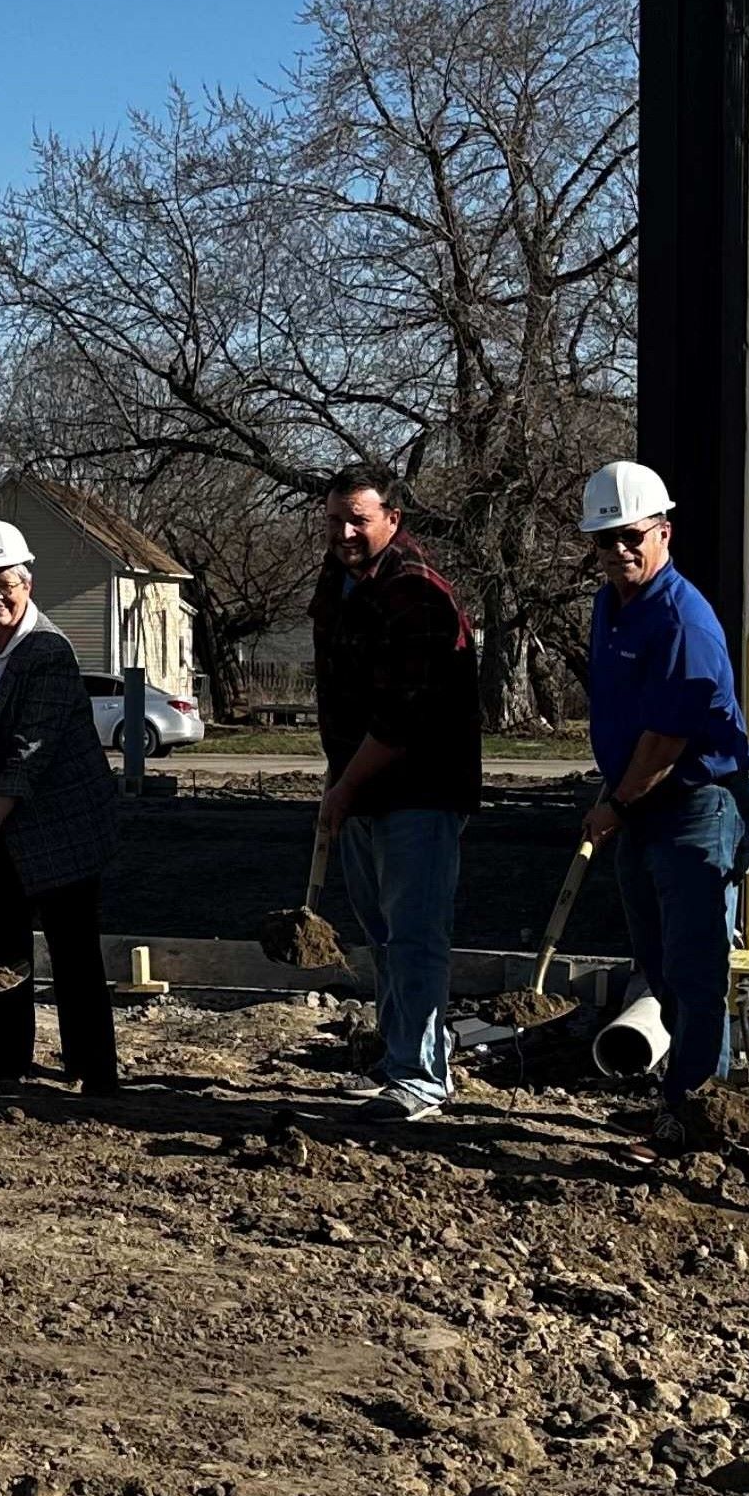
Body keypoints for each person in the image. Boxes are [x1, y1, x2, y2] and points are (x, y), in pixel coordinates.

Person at [573, 463, 749, 1145]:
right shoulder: (610, 605)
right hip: (641, 802)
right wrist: (617, 794)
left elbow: (667, 739)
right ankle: (684, 1095)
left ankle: (701, 1110)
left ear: (664, 532)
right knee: (659, 961)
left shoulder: (684, 619)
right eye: (604, 540)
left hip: (694, 802)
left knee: (694, 964)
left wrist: (613, 804)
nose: (619, 551)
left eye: (632, 537)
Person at [310, 461, 482, 1124]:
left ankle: (422, 1078)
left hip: (419, 791)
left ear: (392, 519)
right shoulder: (341, 581)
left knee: (413, 935)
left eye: (358, 518)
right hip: (360, 789)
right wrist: (340, 784)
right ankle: (399, 1057)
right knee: (381, 935)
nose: (345, 532)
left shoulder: (418, 597)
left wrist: (343, 787)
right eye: (334, 520)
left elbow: (401, 721)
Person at [0, 519, 122, 1096]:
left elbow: (28, 752)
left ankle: (93, 1070)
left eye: (5, 583)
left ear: (27, 580)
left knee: (73, 947)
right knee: (4, 943)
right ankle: (2, 1057)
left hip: (60, 818)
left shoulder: (47, 652)